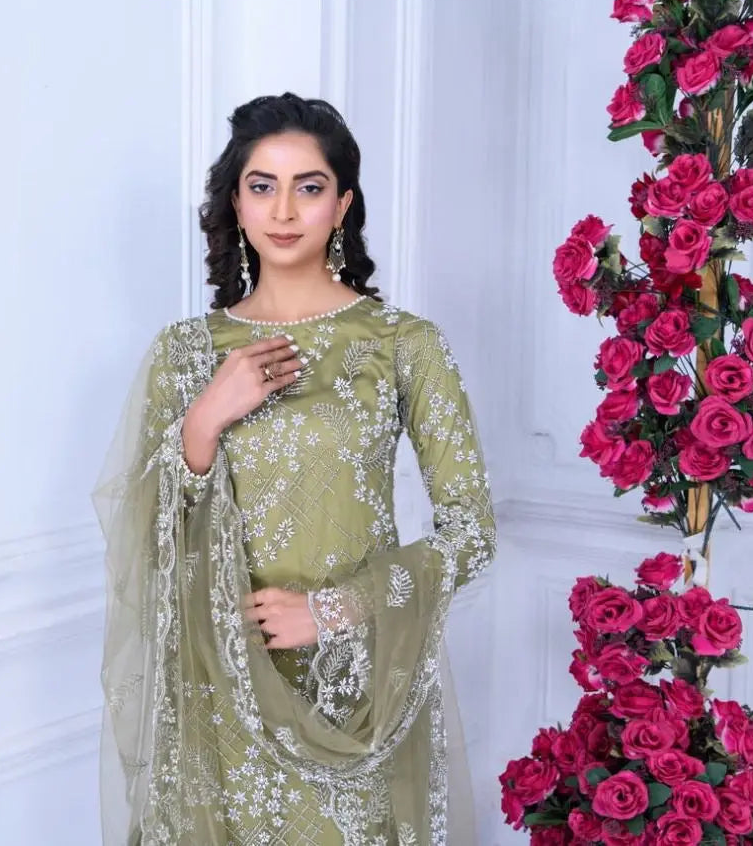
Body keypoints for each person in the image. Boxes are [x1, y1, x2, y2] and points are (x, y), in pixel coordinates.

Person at [94, 92, 497, 845]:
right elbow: (140, 533)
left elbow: (472, 532)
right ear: (236, 204)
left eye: (308, 187)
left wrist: (336, 608)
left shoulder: (403, 344)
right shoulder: (185, 353)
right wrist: (204, 421)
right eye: (262, 186)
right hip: (219, 687)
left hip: (356, 691)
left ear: (342, 205)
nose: (283, 210)